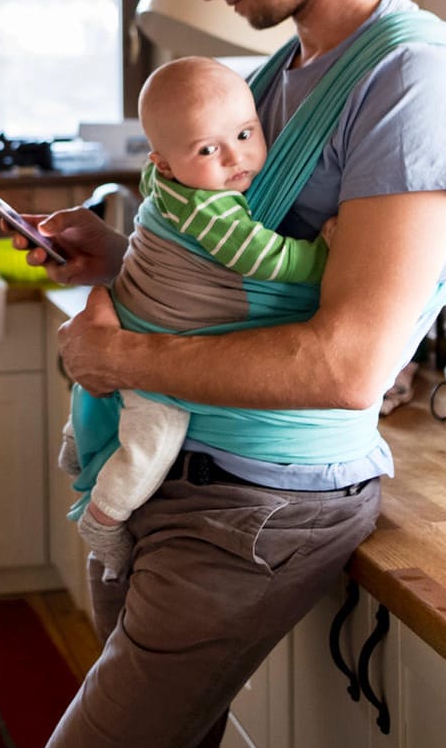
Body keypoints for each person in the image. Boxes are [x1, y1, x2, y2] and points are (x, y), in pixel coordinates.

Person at [24, 0, 446, 748]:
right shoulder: (288, 70)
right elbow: (246, 269)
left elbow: (346, 363)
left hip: (258, 499)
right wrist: (119, 260)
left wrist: (120, 354)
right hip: (187, 478)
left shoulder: (414, 82)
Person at [65, 57, 334, 582]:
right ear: (163, 164)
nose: (236, 158)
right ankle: (104, 518)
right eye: (209, 149)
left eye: (245, 133)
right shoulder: (211, 210)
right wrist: (329, 257)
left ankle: (77, 448)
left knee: (100, 398)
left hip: (132, 310)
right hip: (155, 339)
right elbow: (268, 260)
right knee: (152, 442)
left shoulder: (167, 181)